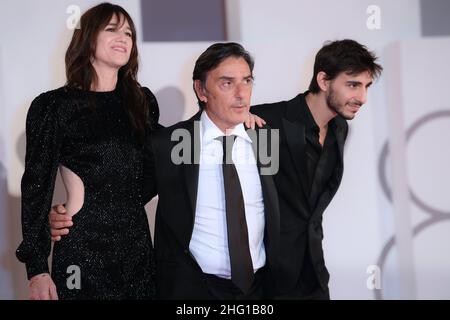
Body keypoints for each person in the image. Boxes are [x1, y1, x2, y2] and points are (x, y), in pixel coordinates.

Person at [16, 3, 159, 300]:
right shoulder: (54, 107)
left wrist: (238, 119)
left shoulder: (142, 102)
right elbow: (36, 187)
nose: (123, 37)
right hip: (82, 248)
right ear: (88, 39)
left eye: (129, 33)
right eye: (111, 29)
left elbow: (158, 165)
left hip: (137, 249)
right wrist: (37, 269)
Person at [145, 42, 280, 299]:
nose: (242, 93)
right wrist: (63, 214)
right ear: (201, 89)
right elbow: (123, 200)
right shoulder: (168, 144)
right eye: (227, 83)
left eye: (247, 81)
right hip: (192, 289)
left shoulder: (266, 139)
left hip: (259, 289)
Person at [251, 39, 383, 299]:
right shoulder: (266, 122)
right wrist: (232, 123)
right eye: (353, 85)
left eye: (366, 86)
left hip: (314, 274)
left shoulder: (340, 129)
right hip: (267, 279)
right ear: (323, 81)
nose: (363, 98)